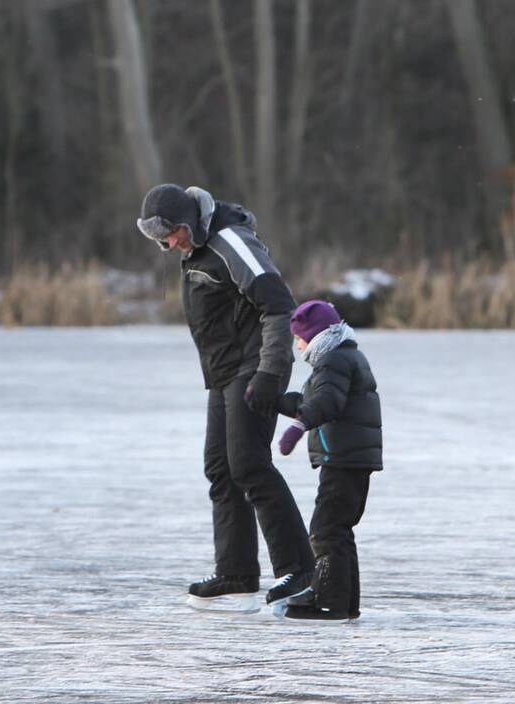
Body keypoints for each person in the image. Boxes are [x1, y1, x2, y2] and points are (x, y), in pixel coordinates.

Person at [136, 183, 314, 611]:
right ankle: (236, 572)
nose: (171, 243)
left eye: (174, 232)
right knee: (220, 467)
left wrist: (270, 373)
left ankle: (301, 568)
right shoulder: (196, 248)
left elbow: (278, 305)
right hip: (224, 372)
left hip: (255, 366)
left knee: (249, 463)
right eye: (163, 238)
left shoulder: (230, 240)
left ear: (190, 220)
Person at [275, 300, 382, 621]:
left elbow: (327, 403)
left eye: (299, 338)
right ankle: (345, 602)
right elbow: (314, 400)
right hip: (352, 457)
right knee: (338, 529)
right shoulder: (344, 357)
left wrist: (296, 427)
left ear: (315, 335)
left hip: (345, 459)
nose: (297, 345)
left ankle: (328, 601)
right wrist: (274, 402)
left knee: (326, 530)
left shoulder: (334, 361)